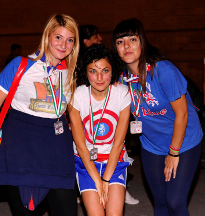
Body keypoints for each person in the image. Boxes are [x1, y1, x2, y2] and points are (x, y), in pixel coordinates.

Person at [0, 14, 79, 216]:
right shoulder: (21, 65)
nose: (63, 44)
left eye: (70, 40)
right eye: (58, 37)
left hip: (58, 148)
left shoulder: (71, 71)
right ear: (47, 36)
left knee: (66, 209)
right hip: (21, 148)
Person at [112, 18, 203, 216]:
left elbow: (183, 113)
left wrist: (173, 153)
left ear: (142, 42)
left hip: (184, 141)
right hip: (152, 144)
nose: (126, 46)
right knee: (160, 202)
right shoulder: (121, 78)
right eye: (120, 42)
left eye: (132, 40)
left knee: (175, 201)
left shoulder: (163, 70)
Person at [69, 44, 132, 216]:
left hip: (115, 161)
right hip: (86, 163)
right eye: (93, 71)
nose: (99, 77)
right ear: (85, 72)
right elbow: (81, 146)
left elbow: (118, 143)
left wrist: (106, 178)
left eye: (105, 70)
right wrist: (98, 180)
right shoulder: (77, 96)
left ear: (113, 71)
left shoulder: (122, 93)